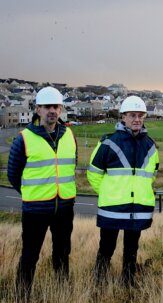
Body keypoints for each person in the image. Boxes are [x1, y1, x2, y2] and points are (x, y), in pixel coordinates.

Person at [7, 86, 77, 299]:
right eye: (47, 107)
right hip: (35, 209)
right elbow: (13, 174)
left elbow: (71, 165)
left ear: (61, 109)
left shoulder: (69, 135)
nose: (52, 111)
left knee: (62, 253)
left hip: (64, 207)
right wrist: (32, 192)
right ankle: (22, 294)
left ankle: (61, 290)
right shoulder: (24, 138)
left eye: (55, 106)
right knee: (30, 255)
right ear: (37, 109)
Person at [87, 96, 159, 285]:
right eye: (132, 115)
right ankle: (99, 281)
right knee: (106, 247)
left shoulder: (150, 145)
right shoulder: (108, 143)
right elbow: (93, 174)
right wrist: (108, 192)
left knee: (132, 249)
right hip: (112, 207)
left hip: (138, 209)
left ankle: (128, 282)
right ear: (123, 117)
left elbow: (151, 175)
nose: (137, 119)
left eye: (140, 115)